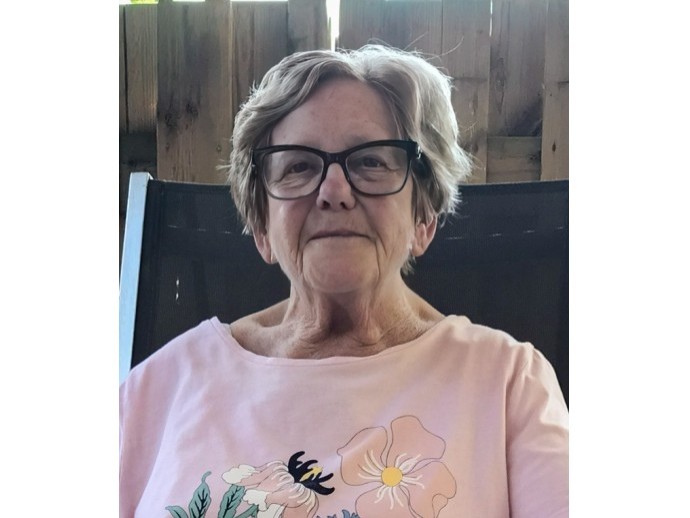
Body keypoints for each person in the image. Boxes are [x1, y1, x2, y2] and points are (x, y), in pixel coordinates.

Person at [120, 44, 568, 518]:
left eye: (370, 161)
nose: (334, 191)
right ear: (262, 228)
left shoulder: (507, 384)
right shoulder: (161, 389)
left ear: (424, 218)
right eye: (298, 165)